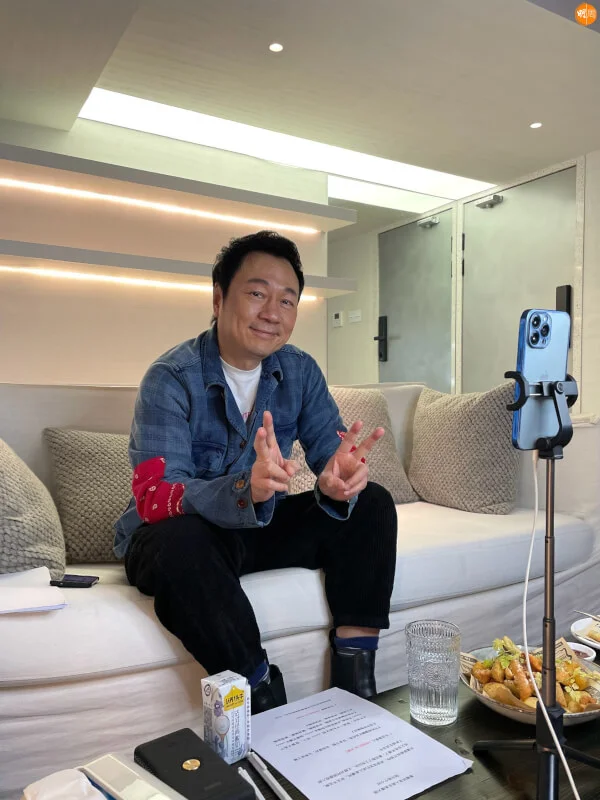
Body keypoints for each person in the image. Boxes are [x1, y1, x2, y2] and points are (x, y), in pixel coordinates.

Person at [114, 230, 398, 713]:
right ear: (219, 298)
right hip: (180, 538)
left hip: (256, 526)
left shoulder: (299, 371)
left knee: (371, 503)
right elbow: (157, 495)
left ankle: (355, 691)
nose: (272, 313)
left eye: (287, 300)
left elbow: (330, 452)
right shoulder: (170, 378)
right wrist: (243, 488)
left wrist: (341, 478)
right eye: (257, 293)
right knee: (181, 541)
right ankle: (263, 700)